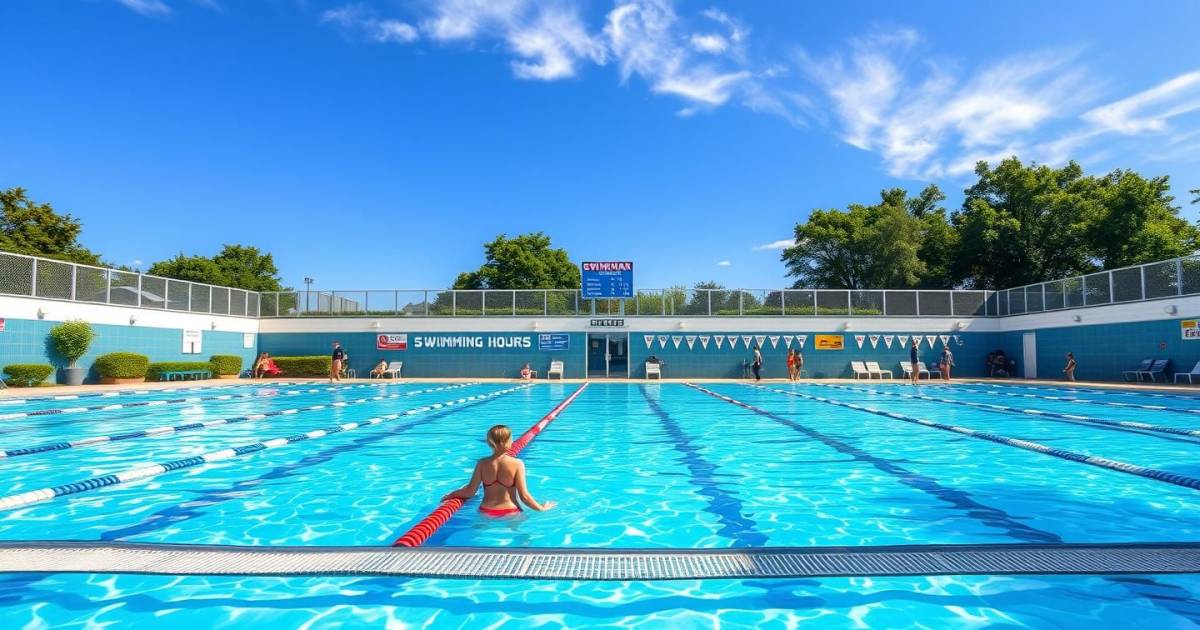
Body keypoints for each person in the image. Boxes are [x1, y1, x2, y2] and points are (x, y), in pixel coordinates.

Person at [441, 425, 556, 517]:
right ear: (510, 441)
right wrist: (541, 508)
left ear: (489, 443)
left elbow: (470, 491)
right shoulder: (517, 464)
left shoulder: (482, 463)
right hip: (511, 512)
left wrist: (451, 495)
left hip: (485, 512)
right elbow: (524, 496)